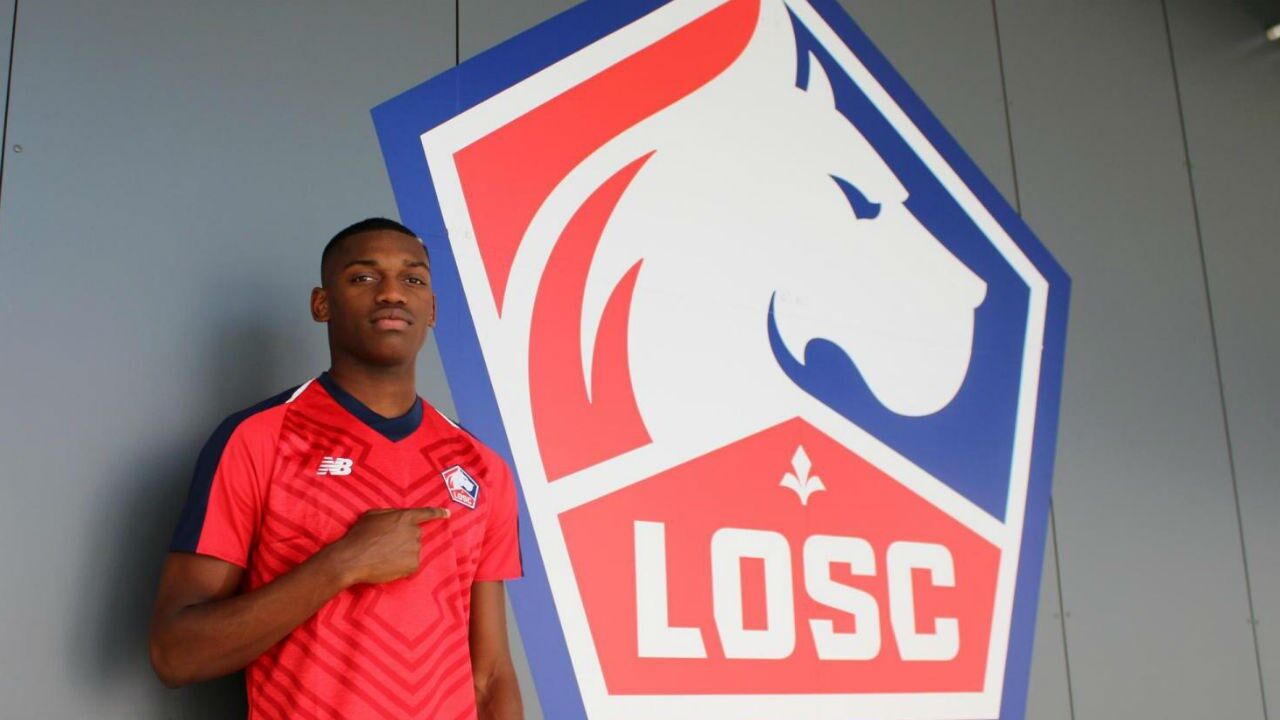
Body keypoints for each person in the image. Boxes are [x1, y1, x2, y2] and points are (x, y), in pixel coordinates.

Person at [149, 218, 524, 720]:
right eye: (364, 277)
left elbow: (490, 676)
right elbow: (175, 654)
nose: (392, 292)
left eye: (412, 279)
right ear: (321, 304)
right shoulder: (259, 439)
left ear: (432, 309)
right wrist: (344, 562)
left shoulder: (481, 466)